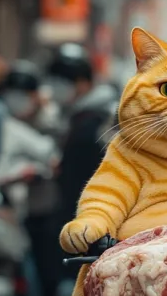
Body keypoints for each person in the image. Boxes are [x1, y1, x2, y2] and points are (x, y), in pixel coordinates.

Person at [2, 61, 63, 296]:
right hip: (22, 210)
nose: (18, 100)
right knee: (33, 272)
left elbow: (58, 159)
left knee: (51, 273)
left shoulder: (53, 119)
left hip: (52, 208)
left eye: (23, 93)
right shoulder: (7, 124)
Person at [46, 44, 118, 227]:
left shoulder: (100, 118)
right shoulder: (75, 114)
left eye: (62, 83)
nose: (55, 89)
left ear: (82, 83)